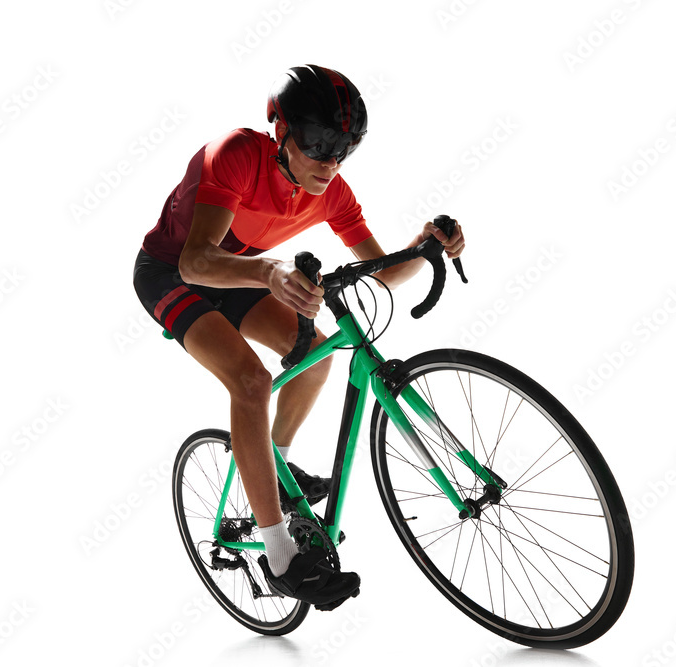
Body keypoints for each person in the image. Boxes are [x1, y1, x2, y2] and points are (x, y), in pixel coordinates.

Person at [133, 64, 465, 608]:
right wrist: (268, 273)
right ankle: (280, 553)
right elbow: (196, 260)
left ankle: (277, 469)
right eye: (318, 143)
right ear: (280, 130)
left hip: (240, 268)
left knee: (315, 351)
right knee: (250, 381)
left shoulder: (332, 192)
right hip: (171, 272)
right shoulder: (236, 155)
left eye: (346, 147)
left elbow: (380, 272)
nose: (331, 161)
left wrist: (425, 245)